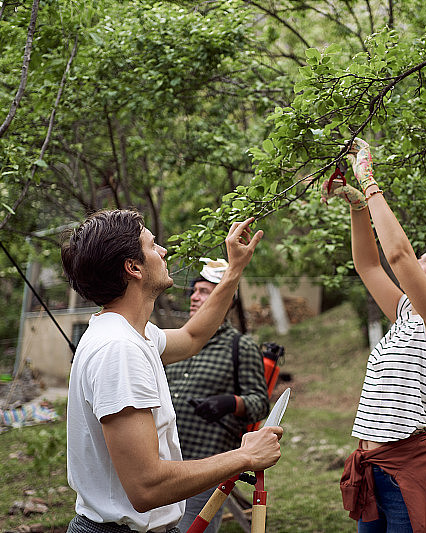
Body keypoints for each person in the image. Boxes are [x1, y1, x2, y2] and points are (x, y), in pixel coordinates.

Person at [60, 210, 282, 533]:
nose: (163, 251)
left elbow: (193, 337)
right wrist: (244, 456)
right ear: (133, 267)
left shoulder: (135, 334)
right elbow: (146, 487)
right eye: (152, 245)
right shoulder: (118, 349)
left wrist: (234, 269)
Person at [322, 139, 426, 533]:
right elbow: (368, 264)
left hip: (410, 476)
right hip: (375, 473)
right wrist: (358, 205)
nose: (418, 261)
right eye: (422, 256)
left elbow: (397, 256)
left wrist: (369, 180)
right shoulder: (409, 314)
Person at [166, 258, 270, 533]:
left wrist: (229, 403)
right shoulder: (175, 342)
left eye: (204, 292)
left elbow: (260, 403)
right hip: (164, 464)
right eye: (194, 291)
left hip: (207, 465)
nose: (194, 297)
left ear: (225, 301)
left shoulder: (240, 346)